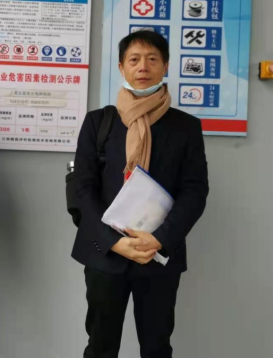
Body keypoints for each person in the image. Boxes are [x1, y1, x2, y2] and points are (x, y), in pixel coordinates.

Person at [71, 30, 209, 358]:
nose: (143, 66)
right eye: (134, 60)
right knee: (100, 346)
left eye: (152, 59)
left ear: (166, 66)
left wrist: (160, 238)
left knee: (157, 347)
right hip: (105, 254)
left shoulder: (185, 127)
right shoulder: (99, 123)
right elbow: (82, 188)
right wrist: (113, 241)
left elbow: (195, 190)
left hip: (157, 255)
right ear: (122, 67)